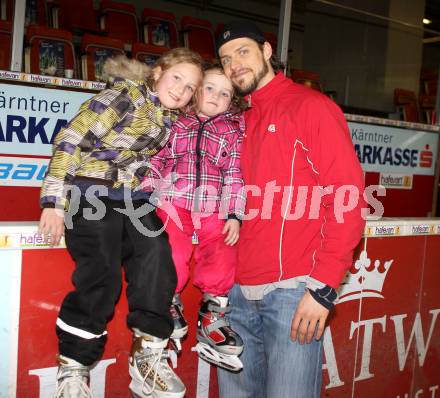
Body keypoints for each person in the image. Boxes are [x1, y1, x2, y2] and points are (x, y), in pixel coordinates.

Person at [37, 49, 204, 398]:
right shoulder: (124, 96)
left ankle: (147, 353)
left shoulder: (169, 116)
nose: (181, 90)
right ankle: (74, 366)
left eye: (190, 87)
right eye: (177, 78)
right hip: (91, 190)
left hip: (132, 198)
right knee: (103, 268)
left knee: (158, 253)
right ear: (157, 72)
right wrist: (54, 202)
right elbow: (71, 140)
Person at [216, 21, 366, 397]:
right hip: (235, 294)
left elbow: (347, 199)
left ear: (268, 51)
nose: (234, 64)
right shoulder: (234, 120)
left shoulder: (310, 106)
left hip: (293, 293)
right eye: (225, 59)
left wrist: (323, 289)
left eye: (243, 52)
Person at [147, 66, 247, 371]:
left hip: (213, 205)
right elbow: (155, 158)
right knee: (170, 248)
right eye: (210, 88)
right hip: (173, 201)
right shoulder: (176, 122)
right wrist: (149, 193)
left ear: (232, 102)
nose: (216, 97)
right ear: (196, 92)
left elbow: (235, 174)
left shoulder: (232, 130)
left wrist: (234, 213)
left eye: (225, 93)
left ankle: (213, 313)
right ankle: (168, 299)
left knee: (224, 246)